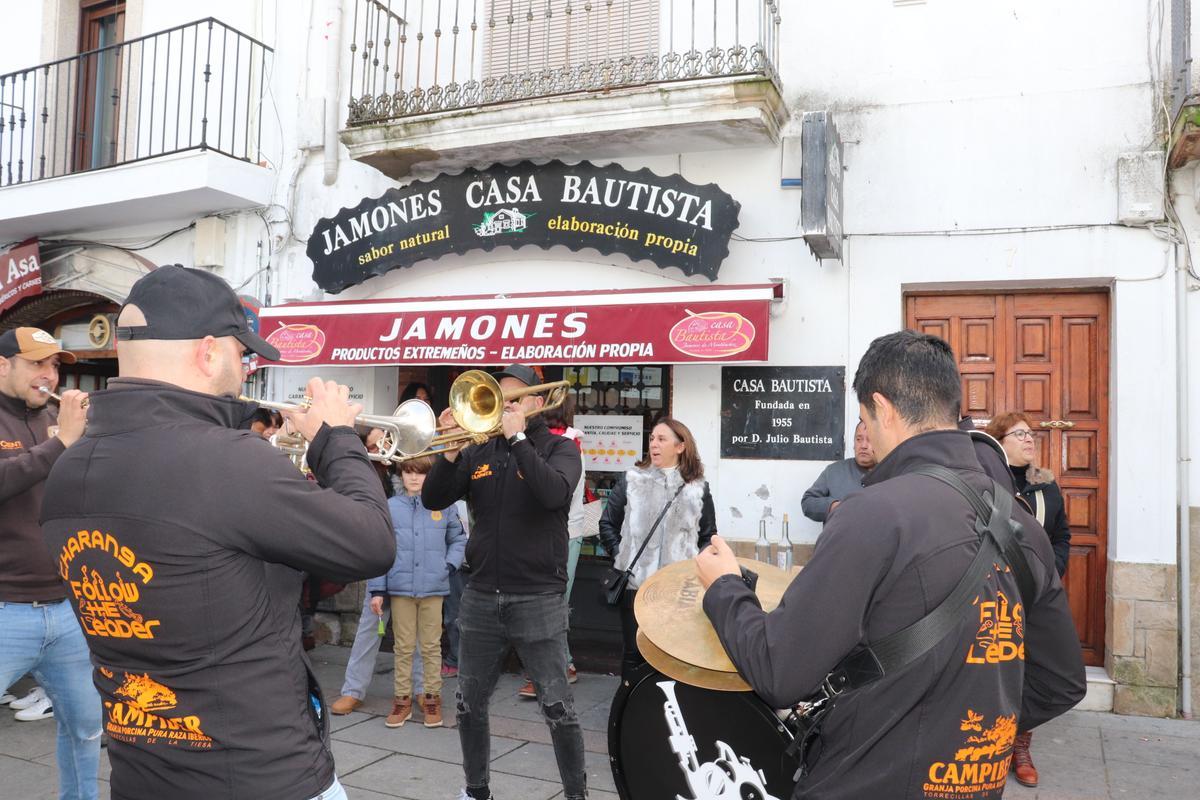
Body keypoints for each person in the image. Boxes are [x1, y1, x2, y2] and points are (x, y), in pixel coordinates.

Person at [40, 265, 396, 800]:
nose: (247, 368)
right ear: (208, 352)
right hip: (262, 773)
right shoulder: (228, 461)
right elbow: (372, 542)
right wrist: (337, 438)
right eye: (241, 352)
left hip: (142, 775)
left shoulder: (68, 469)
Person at [696, 330, 1086, 800]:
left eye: (864, 418)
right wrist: (959, 732)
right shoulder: (1018, 517)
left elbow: (779, 671)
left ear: (883, 408)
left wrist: (725, 587)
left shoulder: (873, 512)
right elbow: (1062, 682)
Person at [422, 363, 586, 800]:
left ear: (537, 402)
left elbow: (553, 494)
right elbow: (433, 497)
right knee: (468, 704)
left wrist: (516, 439)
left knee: (557, 707)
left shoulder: (559, 449)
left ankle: (576, 794)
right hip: (480, 596)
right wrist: (451, 452)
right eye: (501, 397)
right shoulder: (478, 451)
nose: (505, 406)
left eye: (515, 398)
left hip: (538, 596)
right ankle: (477, 791)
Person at [0, 326, 100, 800]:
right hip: (4, 609)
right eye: (37, 363)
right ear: (3, 365)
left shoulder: (48, 422)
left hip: (64, 609)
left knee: (85, 727)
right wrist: (62, 444)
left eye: (54, 365)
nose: (49, 374)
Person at [985, 411, 1072, 788]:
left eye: (1030, 433)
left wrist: (1052, 571)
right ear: (1000, 443)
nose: (1029, 439)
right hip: (995, 593)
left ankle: (1019, 743)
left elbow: (1061, 536)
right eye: (1019, 434)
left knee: (1036, 669)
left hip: (1037, 596)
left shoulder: (1047, 487)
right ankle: (987, 741)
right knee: (994, 668)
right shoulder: (988, 485)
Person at [598, 418, 716, 677]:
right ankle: (628, 713)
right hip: (636, 586)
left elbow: (708, 537)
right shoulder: (631, 481)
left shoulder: (697, 489)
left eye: (662, 439)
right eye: (652, 438)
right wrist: (624, 559)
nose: (654, 444)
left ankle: (664, 712)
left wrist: (697, 572)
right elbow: (607, 524)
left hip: (677, 589)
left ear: (680, 446)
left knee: (673, 654)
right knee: (634, 653)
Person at [369, 456, 465, 728]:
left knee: (432, 645)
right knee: (403, 646)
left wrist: (447, 565)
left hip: (433, 587)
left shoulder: (444, 506)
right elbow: (381, 548)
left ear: (429, 476)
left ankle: (432, 698)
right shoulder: (391, 507)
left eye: (420, 473)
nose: (414, 478)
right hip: (400, 587)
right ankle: (402, 700)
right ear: (402, 475)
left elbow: (458, 539)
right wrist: (377, 589)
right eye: (409, 472)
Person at [801, 420, 875, 523]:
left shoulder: (893, 473)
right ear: (853, 443)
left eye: (870, 440)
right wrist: (832, 506)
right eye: (858, 439)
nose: (863, 445)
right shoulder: (834, 471)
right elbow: (808, 502)